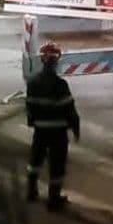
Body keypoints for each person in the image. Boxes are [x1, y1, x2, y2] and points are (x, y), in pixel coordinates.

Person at [26, 41, 80, 211]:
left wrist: (33, 122)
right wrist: (76, 128)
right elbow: (69, 109)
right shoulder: (61, 85)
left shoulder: (33, 83)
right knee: (57, 165)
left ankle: (31, 192)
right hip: (58, 132)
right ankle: (53, 200)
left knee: (36, 160)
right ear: (57, 62)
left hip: (41, 130)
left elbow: (30, 107)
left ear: (42, 60)